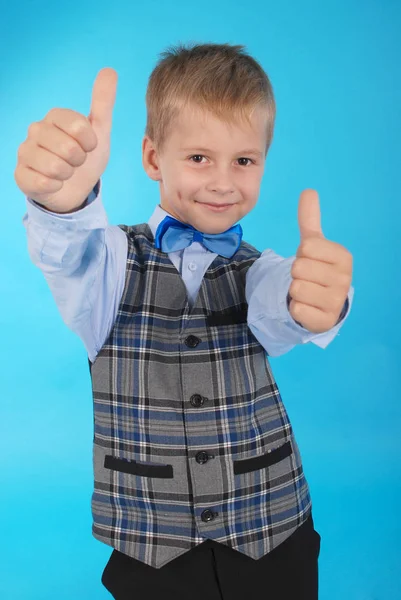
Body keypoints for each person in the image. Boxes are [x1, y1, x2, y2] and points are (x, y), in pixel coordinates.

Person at [16, 42, 354, 600]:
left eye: (244, 160)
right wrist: (61, 204)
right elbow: (67, 253)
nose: (224, 181)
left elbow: (284, 304)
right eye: (199, 157)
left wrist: (319, 302)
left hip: (272, 529)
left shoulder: (261, 270)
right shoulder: (107, 268)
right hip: (153, 545)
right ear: (153, 158)